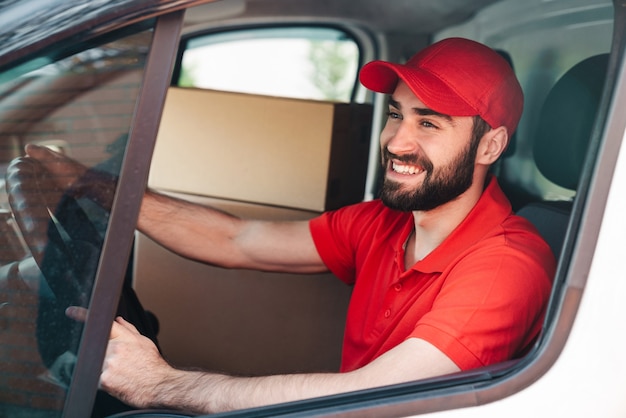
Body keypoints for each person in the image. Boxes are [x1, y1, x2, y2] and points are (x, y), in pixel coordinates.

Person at [29, 37, 555, 414]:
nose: (396, 142)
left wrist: (164, 384)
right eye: (397, 114)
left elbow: (368, 396)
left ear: (490, 145)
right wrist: (104, 191)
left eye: (429, 124)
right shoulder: (384, 223)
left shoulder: (504, 266)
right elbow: (241, 241)